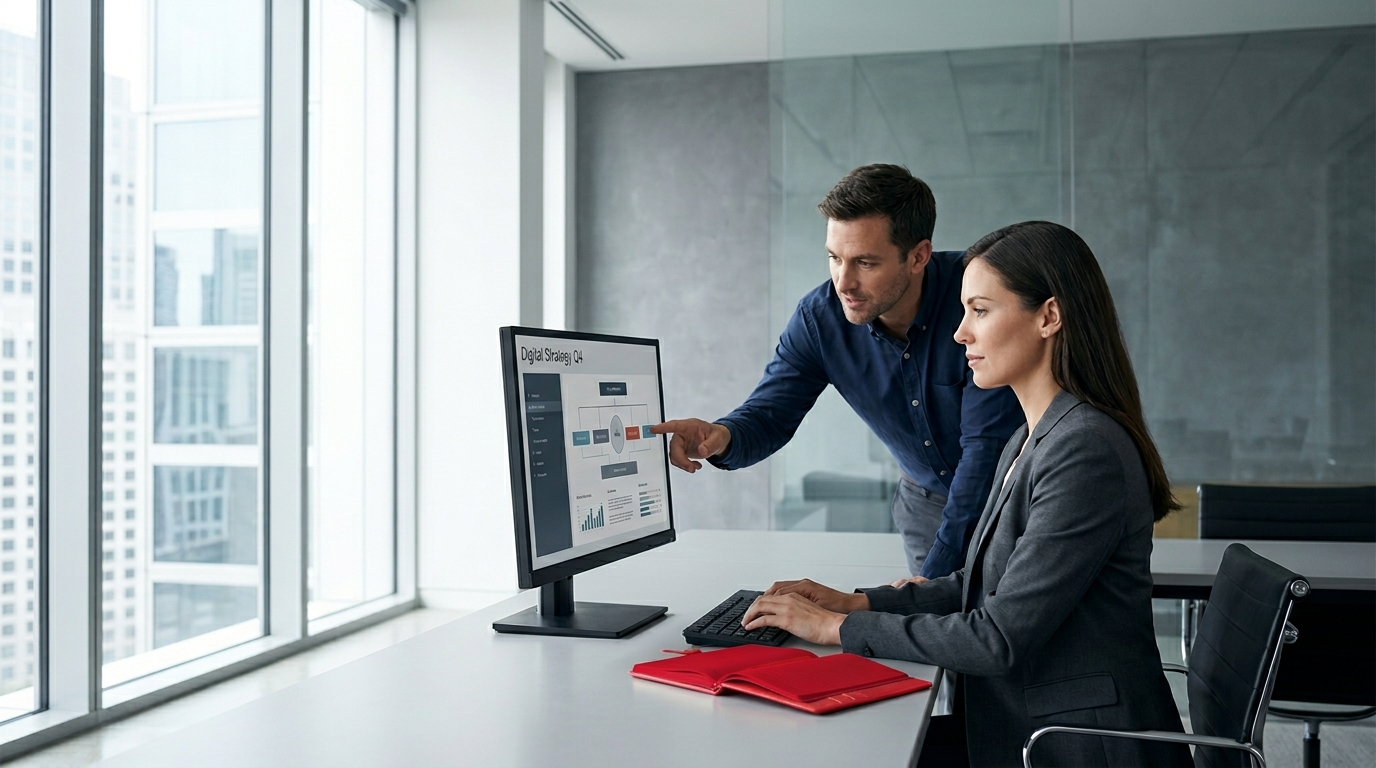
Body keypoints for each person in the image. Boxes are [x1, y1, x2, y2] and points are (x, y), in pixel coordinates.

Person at [741, 221, 1193, 768]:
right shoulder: (1030, 436)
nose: (960, 334)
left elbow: (997, 636)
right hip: (1021, 722)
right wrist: (857, 602)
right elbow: (981, 586)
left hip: (1073, 744)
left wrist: (835, 628)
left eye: (979, 311)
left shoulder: (1083, 450)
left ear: (1049, 316)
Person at [653, 165, 1022, 579]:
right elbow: (771, 413)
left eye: (865, 262)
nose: (844, 283)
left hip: (1014, 499)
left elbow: (985, 451)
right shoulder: (819, 320)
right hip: (924, 504)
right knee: (936, 617)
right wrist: (722, 436)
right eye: (834, 258)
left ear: (918, 256)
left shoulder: (977, 299)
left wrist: (926, 585)